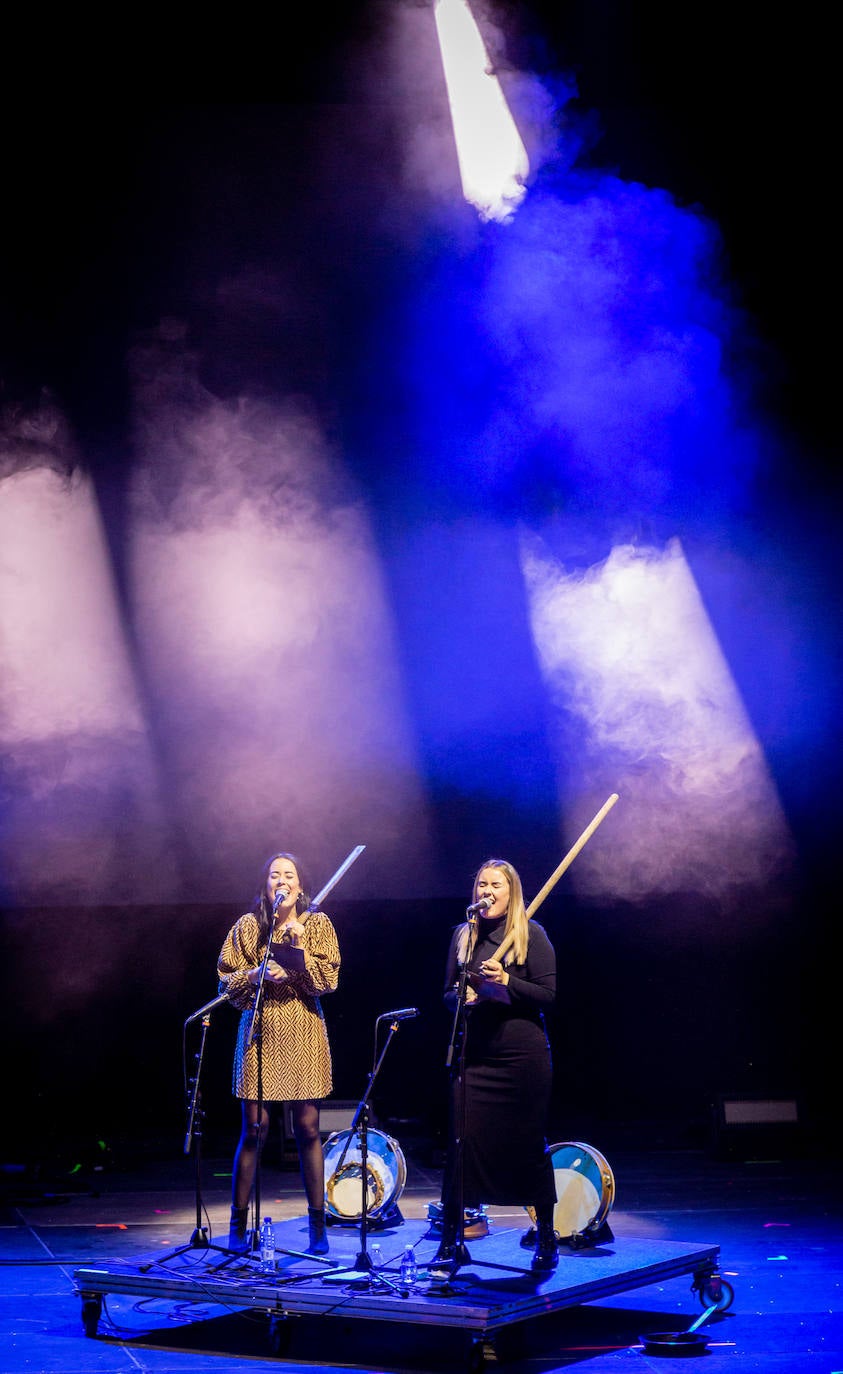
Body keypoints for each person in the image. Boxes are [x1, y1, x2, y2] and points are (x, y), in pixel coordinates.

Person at [435, 857, 558, 1272]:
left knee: (526, 1146)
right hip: (475, 1054)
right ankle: (451, 1240)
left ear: (511, 893)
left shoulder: (530, 933)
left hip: (520, 1057)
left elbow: (547, 995)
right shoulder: (463, 935)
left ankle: (546, 1237)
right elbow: (447, 994)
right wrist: (464, 998)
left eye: (496, 886)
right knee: (461, 1144)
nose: (486, 892)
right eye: (482, 885)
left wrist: (506, 982)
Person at [217, 851, 340, 1255]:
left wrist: (298, 959)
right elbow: (225, 983)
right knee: (254, 1130)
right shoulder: (248, 926)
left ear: (300, 885)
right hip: (260, 1031)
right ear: (265, 885)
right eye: (274, 875)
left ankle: (318, 1225)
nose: (281, 881)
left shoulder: (316, 924)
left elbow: (328, 980)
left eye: (289, 875)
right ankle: (237, 1225)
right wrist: (255, 974)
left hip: (302, 1029)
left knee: (307, 1129)